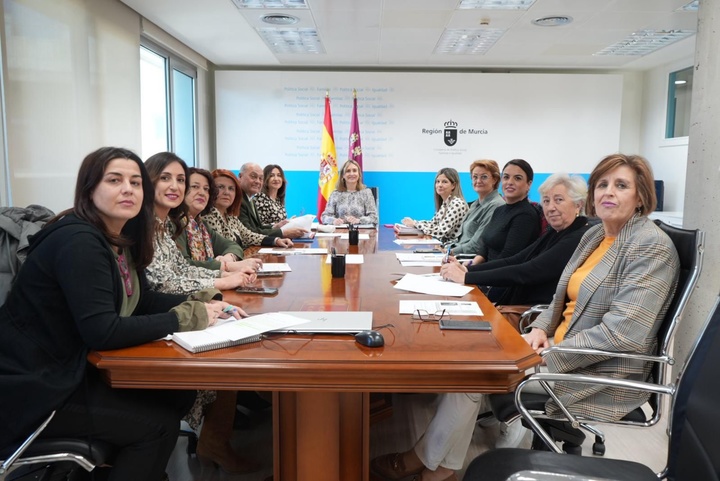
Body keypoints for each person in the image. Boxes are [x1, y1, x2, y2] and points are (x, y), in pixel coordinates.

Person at [371, 154, 680, 481]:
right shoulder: (595, 236)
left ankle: (429, 464)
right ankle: (440, 467)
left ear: (641, 196)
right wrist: (540, 329)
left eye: (621, 186)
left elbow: (622, 335)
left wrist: (547, 351)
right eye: (602, 184)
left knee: (474, 371)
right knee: (470, 365)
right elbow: (558, 298)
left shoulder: (649, 246)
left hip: (596, 367)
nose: (608, 192)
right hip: (557, 346)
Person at [0, 147, 241, 481]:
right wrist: (187, 317)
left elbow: (139, 301)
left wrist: (202, 303)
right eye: (114, 180)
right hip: (37, 388)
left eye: (135, 181)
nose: (128, 189)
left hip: (69, 371)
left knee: (178, 394)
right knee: (157, 427)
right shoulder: (78, 241)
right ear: (89, 189)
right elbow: (104, 331)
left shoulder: (118, 239)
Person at [441, 173, 590, 330]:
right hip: (517, 306)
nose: (550, 207)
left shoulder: (577, 237)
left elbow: (528, 271)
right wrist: (467, 269)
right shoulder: (556, 231)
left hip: (532, 317)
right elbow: (517, 259)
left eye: (559, 200)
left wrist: (467, 276)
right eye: (546, 201)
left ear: (578, 204)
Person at [144, 153, 256, 295]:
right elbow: (162, 284)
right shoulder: (151, 224)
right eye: (165, 178)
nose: (174, 186)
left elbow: (182, 268)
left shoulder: (166, 223)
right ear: (148, 181)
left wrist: (223, 275)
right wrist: (223, 277)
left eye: (180, 180)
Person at [178, 167, 262, 272]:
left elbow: (232, 245)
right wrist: (227, 266)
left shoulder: (200, 224)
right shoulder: (176, 223)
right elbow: (182, 265)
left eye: (206, 189)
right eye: (195, 186)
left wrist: (229, 258)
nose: (202, 193)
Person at [465, 159, 541, 266]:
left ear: (529, 184)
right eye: (506, 177)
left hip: (500, 278)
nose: (510, 182)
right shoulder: (499, 210)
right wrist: (471, 263)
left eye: (517, 178)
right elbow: (485, 245)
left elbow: (506, 259)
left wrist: (470, 272)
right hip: (485, 272)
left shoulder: (526, 215)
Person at [204, 169, 293, 249]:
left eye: (231, 189)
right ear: (210, 190)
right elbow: (223, 248)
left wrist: (275, 241)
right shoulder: (209, 216)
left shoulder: (230, 216)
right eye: (220, 187)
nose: (227, 192)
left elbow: (248, 235)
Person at [447, 159, 505, 256]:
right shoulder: (475, 204)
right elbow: (462, 238)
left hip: (470, 259)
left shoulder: (496, 206)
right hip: (459, 254)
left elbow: (477, 245)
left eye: (484, 177)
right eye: (475, 177)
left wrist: (451, 252)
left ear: (495, 179)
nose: (478, 181)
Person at [399, 167, 468, 244]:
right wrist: (414, 223)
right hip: (444, 246)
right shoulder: (446, 203)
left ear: (453, 185)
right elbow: (433, 224)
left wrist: (415, 224)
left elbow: (440, 232)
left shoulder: (456, 203)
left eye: (444, 182)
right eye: (437, 181)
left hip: (453, 249)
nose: (439, 185)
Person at [237, 162, 306, 238]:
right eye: (253, 177)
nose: (257, 181)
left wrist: (276, 226)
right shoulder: (240, 200)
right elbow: (249, 232)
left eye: (260, 178)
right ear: (240, 177)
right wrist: (282, 232)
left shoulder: (250, 199)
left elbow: (258, 227)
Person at [320, 159, 378, 225]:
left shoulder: (366, 193)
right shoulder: (335, 194)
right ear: (343, 176)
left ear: (359, 174)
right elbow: (324, 217)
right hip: (339, 233)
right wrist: (334, 221)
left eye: (354, 170)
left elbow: (374, 218)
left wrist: (359, 220)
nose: (352, 173)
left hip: (361, 232)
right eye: (348, 171)